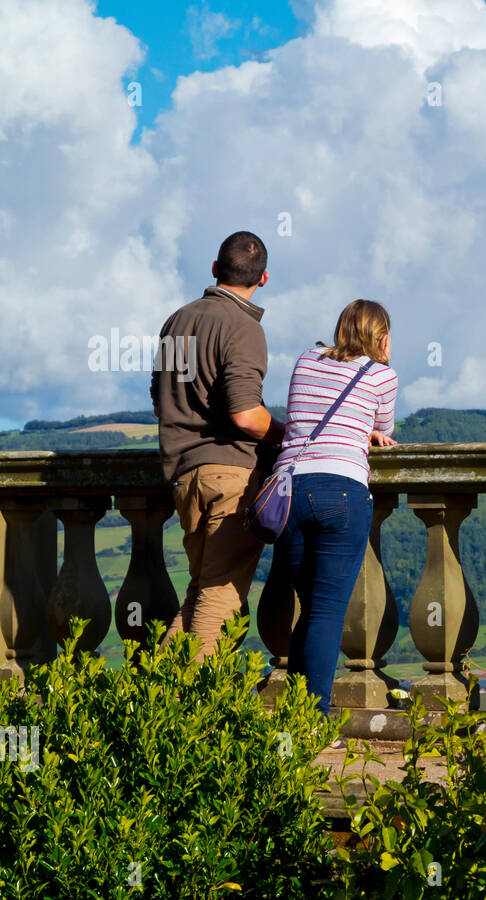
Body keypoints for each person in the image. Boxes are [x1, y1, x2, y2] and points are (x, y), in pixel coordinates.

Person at [151, 231, 284, 658]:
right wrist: (293, 435)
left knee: (200, 592)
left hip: (182, 476)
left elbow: (159, 396)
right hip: (231, 477)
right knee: (220, 597)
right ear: (263, 279)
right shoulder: (244, 329)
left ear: (214, 268)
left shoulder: (176, 322)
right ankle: (191, 707)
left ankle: (158, 699)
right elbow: (246, 414)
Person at [275, 300, 397, 730]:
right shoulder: (382, 375)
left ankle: (293, 722)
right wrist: (371, 431)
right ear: (381, 337)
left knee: (308, 612)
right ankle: (311, 728)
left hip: (289, 491)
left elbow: (300, 415)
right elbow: (384, 423)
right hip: (341, 489)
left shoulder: (306, 359)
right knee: (325, 615)